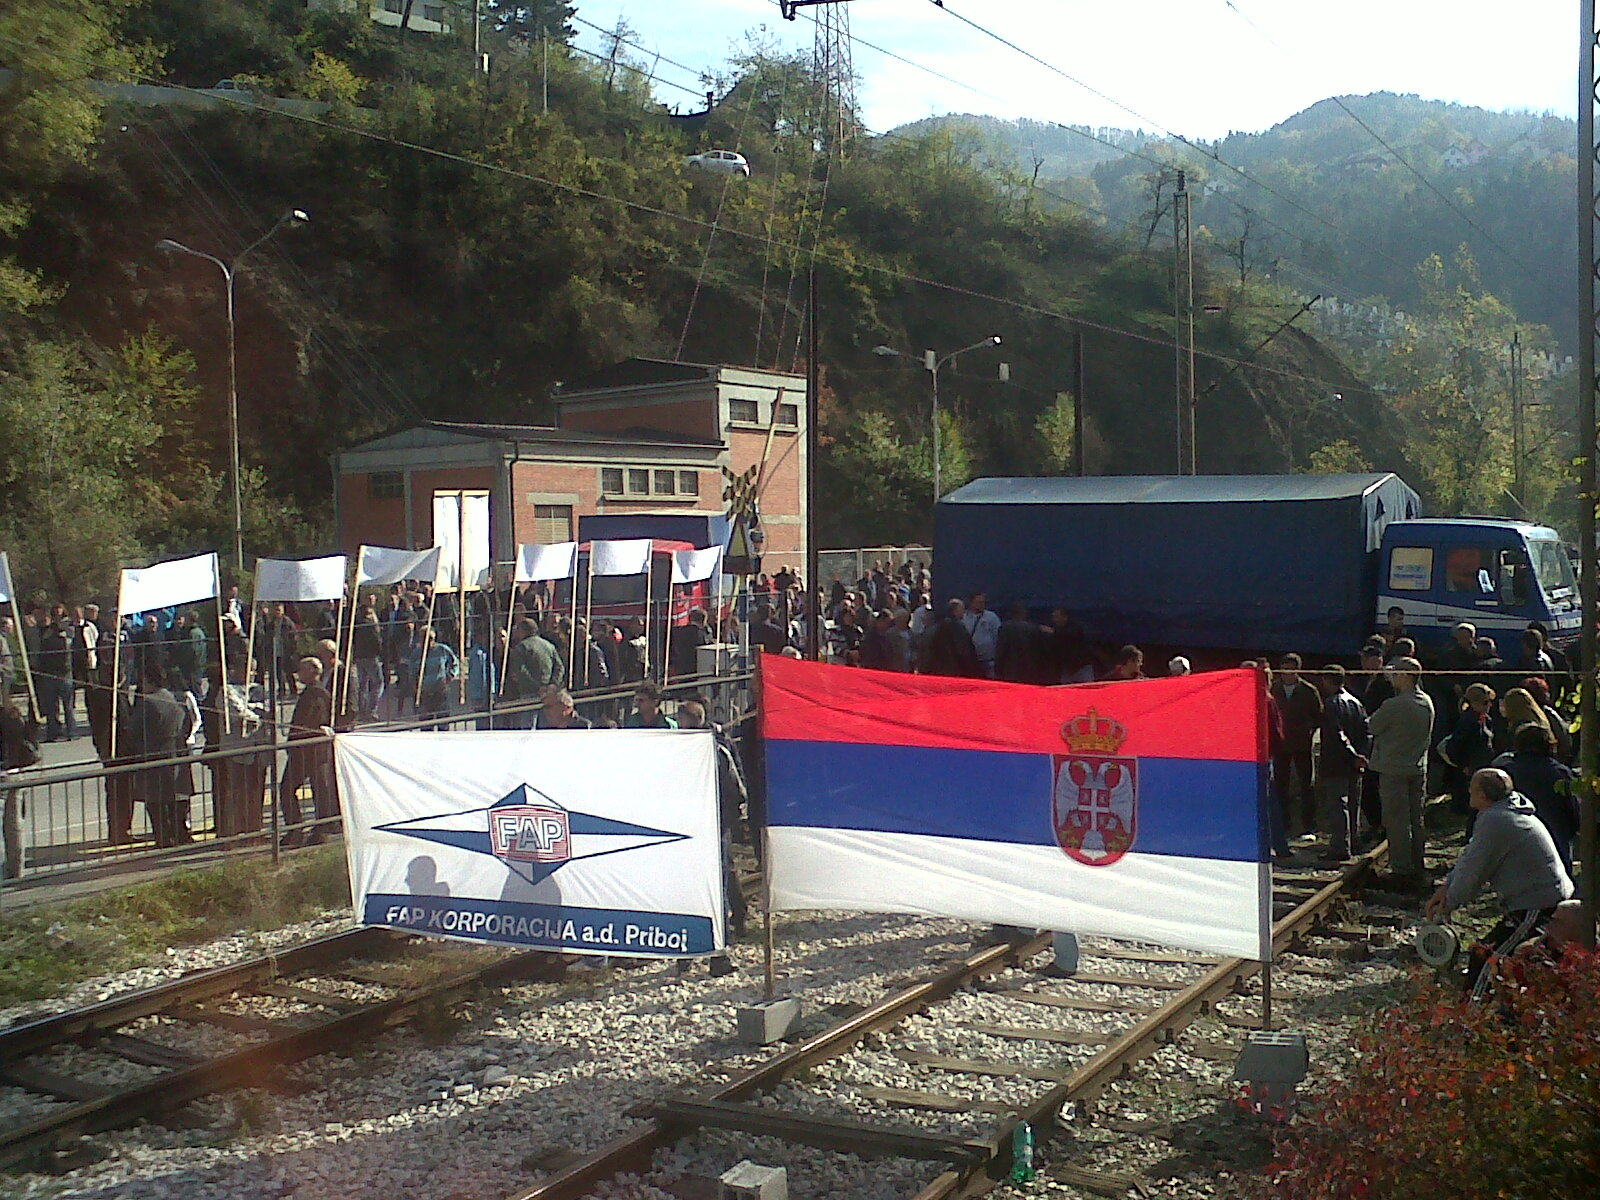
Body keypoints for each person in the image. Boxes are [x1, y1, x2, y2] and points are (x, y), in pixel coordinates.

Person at [1425, 767, 1574, 1002]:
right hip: (1539, 898)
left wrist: (1447, 905)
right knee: (1492, 955)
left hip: (1538, 904)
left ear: (1483, 795)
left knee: (1487, 958)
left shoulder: (1497, 821)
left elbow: (1474, 871)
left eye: (1472, 788)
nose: (1468, 791)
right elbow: (1470, 857)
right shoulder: (1502, 812)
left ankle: (1473, 1012)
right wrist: (1446, 887)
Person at [676, 696, 749, 948]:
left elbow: (732, 784)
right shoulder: (688, 745)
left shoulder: (714, 747)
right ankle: (732, 918)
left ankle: (728, 925)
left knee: (721, 871)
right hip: (697, 817)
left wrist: (732, 814)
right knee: (722, 868)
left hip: (715, 818)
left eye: (681, 719)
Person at [1368, 656, 1435, 888]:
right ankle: (1417, 862)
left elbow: (1373, 726)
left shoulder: (1394, 705)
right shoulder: (1426, 702)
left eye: (1396, 673)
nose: (1392, 678)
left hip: (1393, 768)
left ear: (1406, 676)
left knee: (1396, 819)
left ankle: (1401, 868)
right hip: (1417, 766)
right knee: (1416, 818)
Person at [1493, 723, 1579, 875]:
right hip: (1556, 839)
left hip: (1516, 840)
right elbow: (1573, 809)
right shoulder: (1559, 773)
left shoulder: (1507, 773)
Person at [124, 665, 192, 848]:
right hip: (174, 753)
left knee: (156, 802)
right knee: (174, 800)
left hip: (153, 755)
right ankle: (178, 834)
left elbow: (134, 730)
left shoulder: (148, 703)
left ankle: (163, 838)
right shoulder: (174, 698)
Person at [1314, 665, 1370, 863]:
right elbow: (1366, 731)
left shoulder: (1331, 704)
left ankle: (1340, 846)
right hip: (1355, 763)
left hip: (1336, 762)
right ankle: (1354, 841)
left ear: (1327, 680)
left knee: (1338, 805)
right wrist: (1361, 755)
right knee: (1353, 804)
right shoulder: (1356, 702)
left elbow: (1336, 734)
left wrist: (1352, 754)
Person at [278, 657, 337, 845]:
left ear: (312, 671)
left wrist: (296, 739)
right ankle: (299, 829)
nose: (298, 674)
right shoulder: (311, 692)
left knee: (300, 789)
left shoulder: (317, 694)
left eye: (302, 670)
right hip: (304, 750)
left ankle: (311, 830)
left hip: (308, 750)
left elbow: (311, 722)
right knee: (312, 790)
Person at [1272, 654, 1323, 838]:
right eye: (1284, 668)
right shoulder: (1274, 689)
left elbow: (1318, 715)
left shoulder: (1309, 691)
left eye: (1290, 669)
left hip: (1302, 745)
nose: (1287, 673)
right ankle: (1283, 824)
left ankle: (1309, 824)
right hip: (1280, 745)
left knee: (1306, 785)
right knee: (1280, 785)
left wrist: (1308, 731)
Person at [1441, 683, 1499, 816]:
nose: (1489, 706)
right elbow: (1453, 747)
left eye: (1490, 702)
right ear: (1473, 703)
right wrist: (1463, 765)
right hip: (1470, 770)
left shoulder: (1485, 719)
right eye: (1485, 703)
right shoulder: (1467, 722)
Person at [1, 698, 40, 879]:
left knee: (11, 824)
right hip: (15, 773)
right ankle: (16, 870)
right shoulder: (13, 714)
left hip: (3, 772)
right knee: (14, 824)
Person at [503, 618, 562, 725]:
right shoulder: (549, 646)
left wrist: (537, 687)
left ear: (523, 631)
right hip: (549, 693)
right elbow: (559, 667)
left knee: (528, 727)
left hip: (529, 693)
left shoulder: (521, 648)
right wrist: (553, 684)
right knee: (547, 725)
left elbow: (521, 671)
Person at [413, 629, 459, 730]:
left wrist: (449, 677)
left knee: (443, 724)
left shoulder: (442, 650)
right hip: (425, 693)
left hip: (440, 691)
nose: (427, 641)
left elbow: (455, 663)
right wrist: (415, 686)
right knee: (426, 725)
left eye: (430, 638)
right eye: (424, 638)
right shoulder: (416, 653)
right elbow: (412, 672)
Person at [924, 600, 981, 678]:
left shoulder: (940, 626)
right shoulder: (957, 627)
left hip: (942, 668)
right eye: (962, 609)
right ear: (955, 610)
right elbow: (963, 649)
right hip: (956, 668)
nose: (964, 612)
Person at [995, 602, 1046, 684]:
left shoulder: (1005, 628)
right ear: (1024, 613)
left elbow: (1000, 650)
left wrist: (998, 669)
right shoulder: (1033, 629)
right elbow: (1039, 653)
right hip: (1029, 670)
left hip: (1009, 670)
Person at [961, 592, 1002, 678]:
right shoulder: (964, 618)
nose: (981, 604)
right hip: (971, 660)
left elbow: (997, 636)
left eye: (983, 602)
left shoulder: (991, 617)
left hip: (988, 660)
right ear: (971, 603)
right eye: (978, 602)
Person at [668, 608, 711, 681]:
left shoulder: (677, 631)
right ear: (703, 620)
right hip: (696, 668)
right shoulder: (701, 634)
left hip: (681, 667)